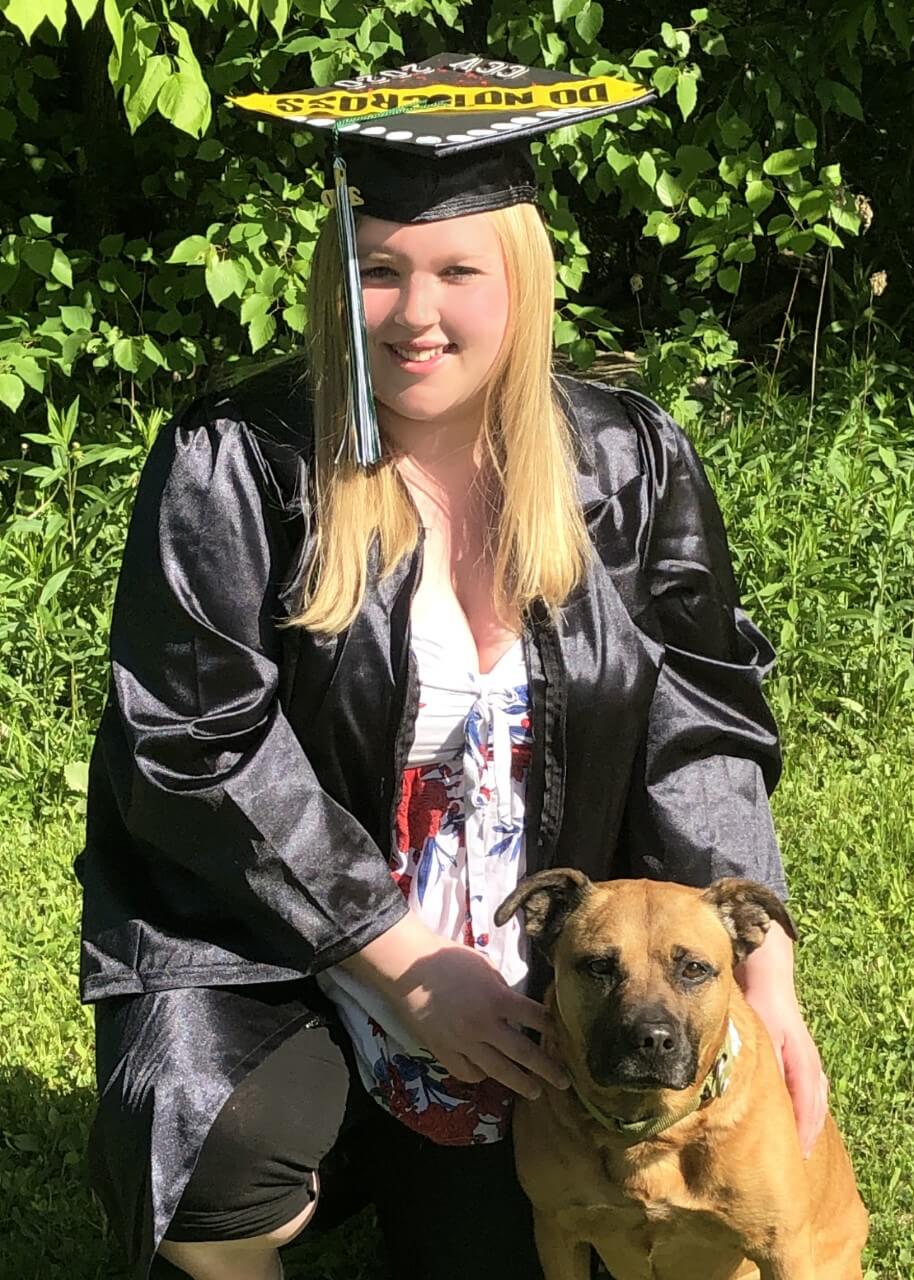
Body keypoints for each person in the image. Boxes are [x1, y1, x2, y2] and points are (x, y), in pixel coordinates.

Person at [77, 55, 828, 1280]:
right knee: (219, 1151)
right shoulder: (232, 462)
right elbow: (193, 746)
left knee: (502, 1242)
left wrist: (765, 978)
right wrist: (405, 966)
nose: (415, 312)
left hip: (544, 976)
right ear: (338, 281)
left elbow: (699, 718)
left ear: (519, 283)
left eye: (456, 271)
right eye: (378, 270)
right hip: (289, 949)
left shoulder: (627, 464)